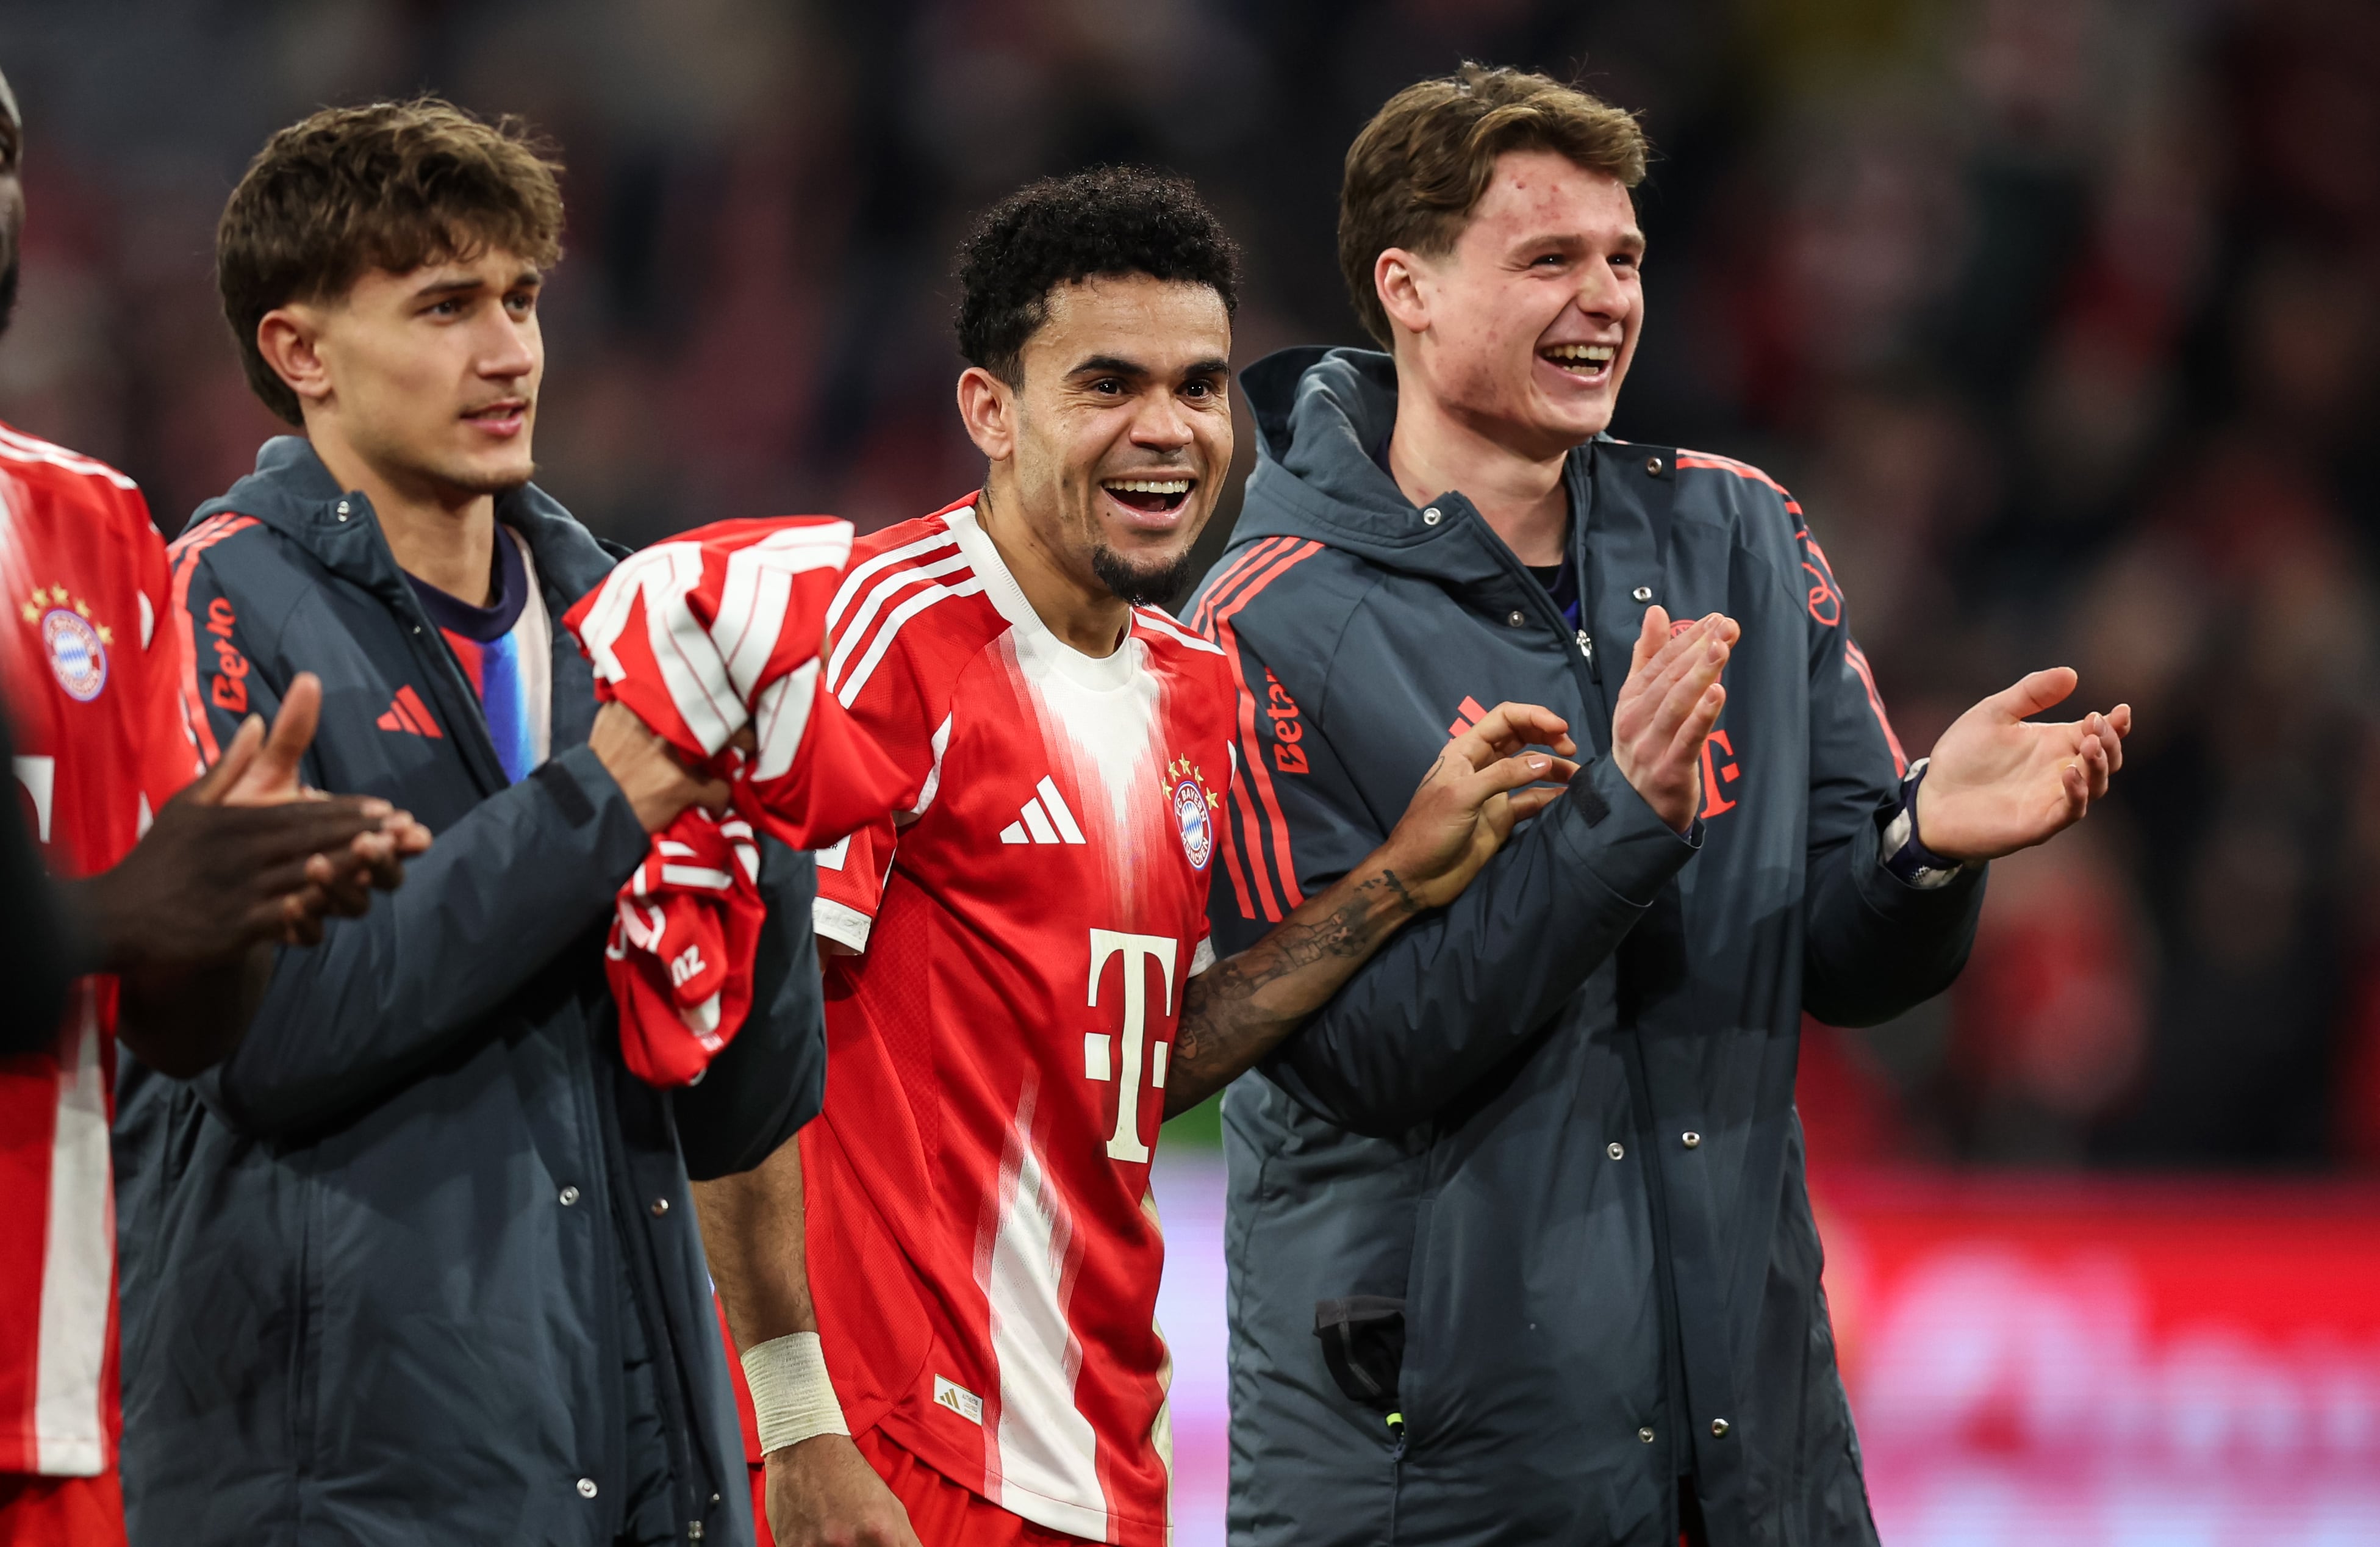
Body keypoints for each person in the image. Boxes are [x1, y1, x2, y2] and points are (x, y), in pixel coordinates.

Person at [1188, 65, 2131, 1547]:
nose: (1605, 298)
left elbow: (1840, 959)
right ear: (1406, 288)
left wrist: (1921, 847)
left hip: (1749, 1452)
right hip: (1436, 1479)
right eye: (1547, 258)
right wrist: (1619, 815)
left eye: (1623, 257)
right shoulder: (1263, 618)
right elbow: (1360, 1054)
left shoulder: (1735, 531)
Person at [697, 168, 1572, 1547]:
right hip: (890, 1442)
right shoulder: (879, 637)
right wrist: (797, 1421)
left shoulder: (1192, 684)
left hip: (1102, 1449)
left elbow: (1135, 1066)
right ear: (990, 410)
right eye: (1106, 384)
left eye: (1198, 386)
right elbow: (732, 1043)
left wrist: (1397, 879)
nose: (1165, 429)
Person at [112, 99, 827, 1547]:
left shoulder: (626, 624)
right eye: (445, 306)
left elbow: (738, 1102)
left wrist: (767, 838)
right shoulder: (209, 611)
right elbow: (268, 1043)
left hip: (638, 1475)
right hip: (338, 1496)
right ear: (300, 351)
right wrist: (607, 800)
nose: (509, 353)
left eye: (522, 298)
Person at [0, 67, 425, 1546]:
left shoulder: (88, 525)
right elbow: (106, 922)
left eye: (1, 150)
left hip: (51, 1402)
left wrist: (242, 894)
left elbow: (175, 1025)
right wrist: (117, 909)